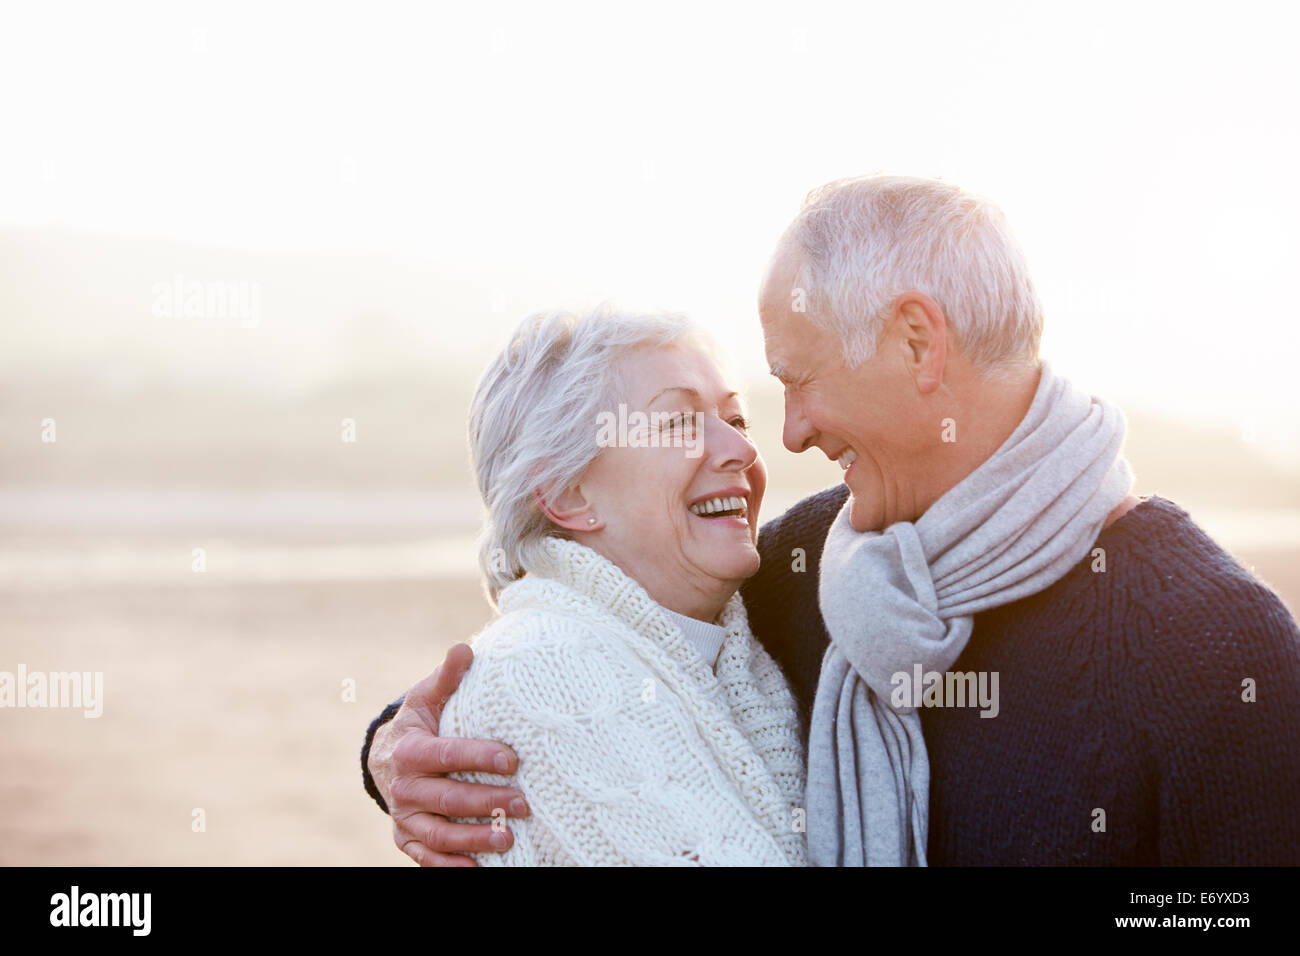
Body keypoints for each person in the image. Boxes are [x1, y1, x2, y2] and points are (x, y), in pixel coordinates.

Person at [363, 176, 1300, 866]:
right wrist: (394, 751)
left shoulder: (1222, 649)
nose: (792, 432)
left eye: (796, 382)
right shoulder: (812, 564)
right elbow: (601, 639)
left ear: (916, 343)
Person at [382, 306, 806, 865]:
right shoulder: (540, 668)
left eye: (736, 420)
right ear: (566, 495)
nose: (742, 450)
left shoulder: (744, 635)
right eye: (678, 423)